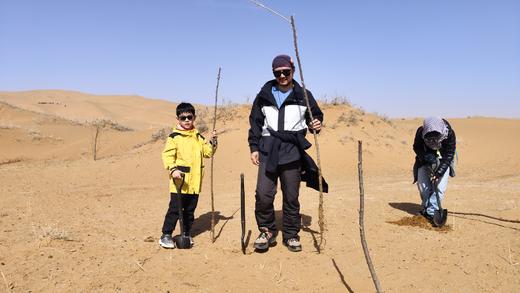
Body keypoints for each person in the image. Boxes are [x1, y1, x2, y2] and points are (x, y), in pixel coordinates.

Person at [248, 54, 327, 252]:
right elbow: (255, 122)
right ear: (273, 73)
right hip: (268, 148)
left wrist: (316, 124)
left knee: (291, 196)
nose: (282, 76)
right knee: (264, 194)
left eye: (286, 72)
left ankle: (291, 234)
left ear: (293, 70)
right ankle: (267, 230)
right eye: (278, 73)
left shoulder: (304, 95)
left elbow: (315, 116)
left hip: (292, 149)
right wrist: (254, 147)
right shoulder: (264, 94)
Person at [159, 102, 217, 249]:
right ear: (177, 119)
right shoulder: (174, 137)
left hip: (195, 183)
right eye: (183, 117)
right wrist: (173, 169)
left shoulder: (197, 136)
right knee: (175, 210)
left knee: (190, 211)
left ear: (194, 118)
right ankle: (166, 235)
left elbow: (208, 152)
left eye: (189, 117)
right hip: (180, 182)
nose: (186, 120)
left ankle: (185, 234)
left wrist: (213, 141)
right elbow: (167, 155)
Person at [413, 117, 456, 223]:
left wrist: (439, 172)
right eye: (429, 138)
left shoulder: (449, 134)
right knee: (424, 188)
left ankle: (431, 213)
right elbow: (416, 147)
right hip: (424, 162)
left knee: (439, 188)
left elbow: (449, 154)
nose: (433, 140)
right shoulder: (420, 132)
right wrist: (425, 156)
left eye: (435, 137)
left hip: (443, 161)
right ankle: (425, 209)